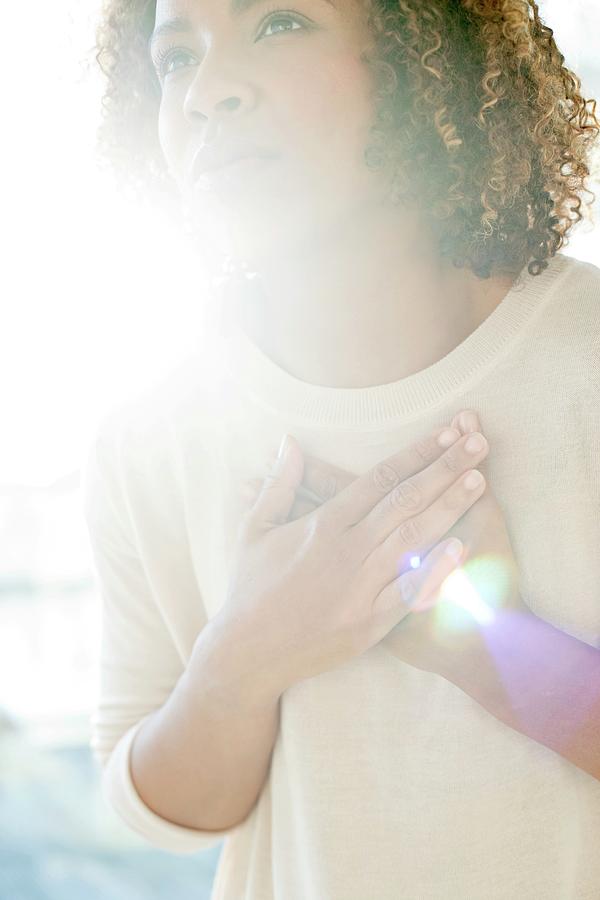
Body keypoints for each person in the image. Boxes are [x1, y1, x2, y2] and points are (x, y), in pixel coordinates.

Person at [83, 1, 600, 897]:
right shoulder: (149, 438)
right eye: (175, 59)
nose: (207, 92)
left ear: (427, 50)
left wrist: (498, 656)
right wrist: (245, 656)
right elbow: (158, 813)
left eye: (279, 23)